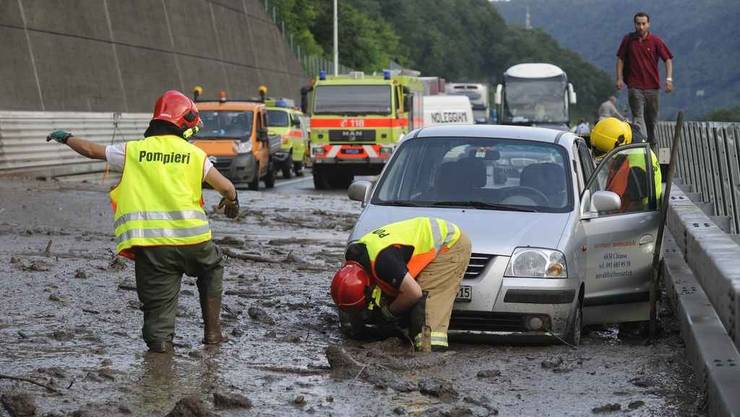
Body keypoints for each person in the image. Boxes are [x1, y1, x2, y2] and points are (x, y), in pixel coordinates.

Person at [45, 90, 240, 353]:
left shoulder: (134, 151)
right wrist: (232, 201)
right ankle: (213, 335)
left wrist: (65, 137)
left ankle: (160, 352)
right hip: (195, 243)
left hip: (153, 248)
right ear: (184, 122)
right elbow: (227, 188)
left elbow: (91, 150)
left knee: (157, 313)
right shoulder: (195, 154)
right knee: (212, 268)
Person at [331, 217, 471, 352]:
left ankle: (430, 354)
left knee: (425, 309)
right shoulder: (354, 261)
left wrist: (388, 312)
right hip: (419, 240)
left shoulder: (384, 264)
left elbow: (413, 293)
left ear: (368, 287)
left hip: (449, 243)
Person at [616, 11, 673, 149]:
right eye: (638, 24)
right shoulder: (628, 40)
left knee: (651, 120)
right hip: (634, 86)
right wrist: (619, 78)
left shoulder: (656, 41)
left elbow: (668, 59)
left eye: (643, 24)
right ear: (634, 24)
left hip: (652, 87)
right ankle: (640, 147)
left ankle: (652, 145)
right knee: (638, 118)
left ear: (648, 24)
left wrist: (669, 79)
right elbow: (620, 59)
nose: (641, 27)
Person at [590, 117, 662, 213]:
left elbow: (636, 206)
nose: (610, 159)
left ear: (620, 145)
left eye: (610, 154)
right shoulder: (634, 144)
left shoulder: (636, 166)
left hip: (642, 215)